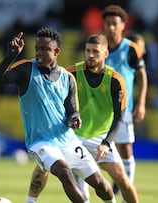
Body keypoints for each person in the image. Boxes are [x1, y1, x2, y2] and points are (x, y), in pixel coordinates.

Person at [0, 27, 115, 203]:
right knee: (64, 171)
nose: (39, 53)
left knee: (101, 185)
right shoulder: (26, 69)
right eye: (37, 49)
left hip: (68, 140)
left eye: (45, 49)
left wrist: (74, 118)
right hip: (41, 142)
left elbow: (72, 110)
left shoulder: (67, 78)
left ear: (56, 52)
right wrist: (11, 56)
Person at [26, 34, 140, 203]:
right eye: (88, 51)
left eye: (95, 51)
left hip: (100, 137)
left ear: (106, 54)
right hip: (73, 136)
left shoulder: (115, 80)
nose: (90, 55)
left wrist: (106, 143)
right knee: (43, 167)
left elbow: (119, 117)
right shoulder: (71, 74)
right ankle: (30, 201)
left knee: (122, 179)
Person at [101, 5, 148, 194]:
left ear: (122, 26)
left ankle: (126, 191)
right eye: (107, 24)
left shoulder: (131, 49)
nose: (111, 28)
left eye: (115, 24)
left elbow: (143, 76)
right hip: (101, 110)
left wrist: (142, 103)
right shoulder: (99, 47)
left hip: (123, 110)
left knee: (126, 152)